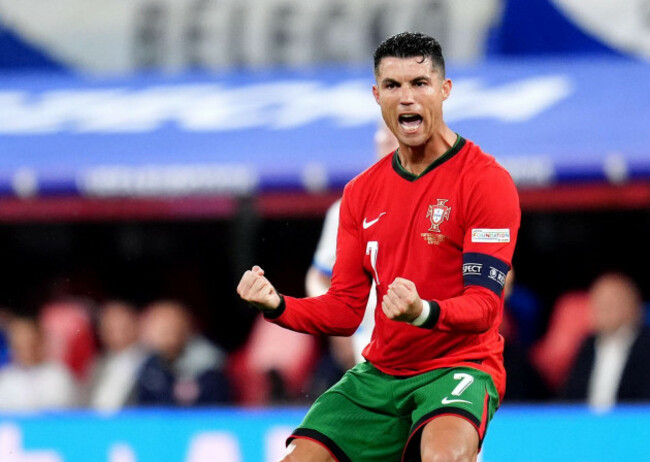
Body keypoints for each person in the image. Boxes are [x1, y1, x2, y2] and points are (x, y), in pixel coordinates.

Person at [237, 32, 520, 462]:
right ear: (376, 95)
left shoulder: (486, 182)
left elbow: (483, 306)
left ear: (445, 90)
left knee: (445, 457)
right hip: (381, 372)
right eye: (392, 85)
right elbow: (345, 310)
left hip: (459, 366)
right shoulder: (360, 194)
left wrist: (421, 310)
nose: (406, 97)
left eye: (419, 83)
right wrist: (278, 304)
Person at [305, 119, 399, 395]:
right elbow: (319, 276)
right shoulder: (350, 206)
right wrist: (335, 325)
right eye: (385, 141)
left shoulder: (447, 199)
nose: (389, 147)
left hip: (434, 338)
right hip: (371, 340)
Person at [562, 272, 650, 410]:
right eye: (597, 302)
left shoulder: (645, 346)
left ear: (633, 306)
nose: (601, 310)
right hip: (586, 426)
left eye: (610, 303)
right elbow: (569, 397)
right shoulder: (588, 346)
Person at [135, 300, 230, 406]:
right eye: (161, 329)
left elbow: (216, 407)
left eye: (171, 328)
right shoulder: (148, 364)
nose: (168, 335)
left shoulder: (208, 363)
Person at [0, 316, 78, 411]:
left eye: (29, 342)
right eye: (19, 344)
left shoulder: (58, 375)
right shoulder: (6, 378)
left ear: (40, 341)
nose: (25, 349)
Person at [87, 300, 147, 410]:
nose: (117, 331)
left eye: (123, 325)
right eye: (110, 327)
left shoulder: (148, 362)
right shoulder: (98, 364)